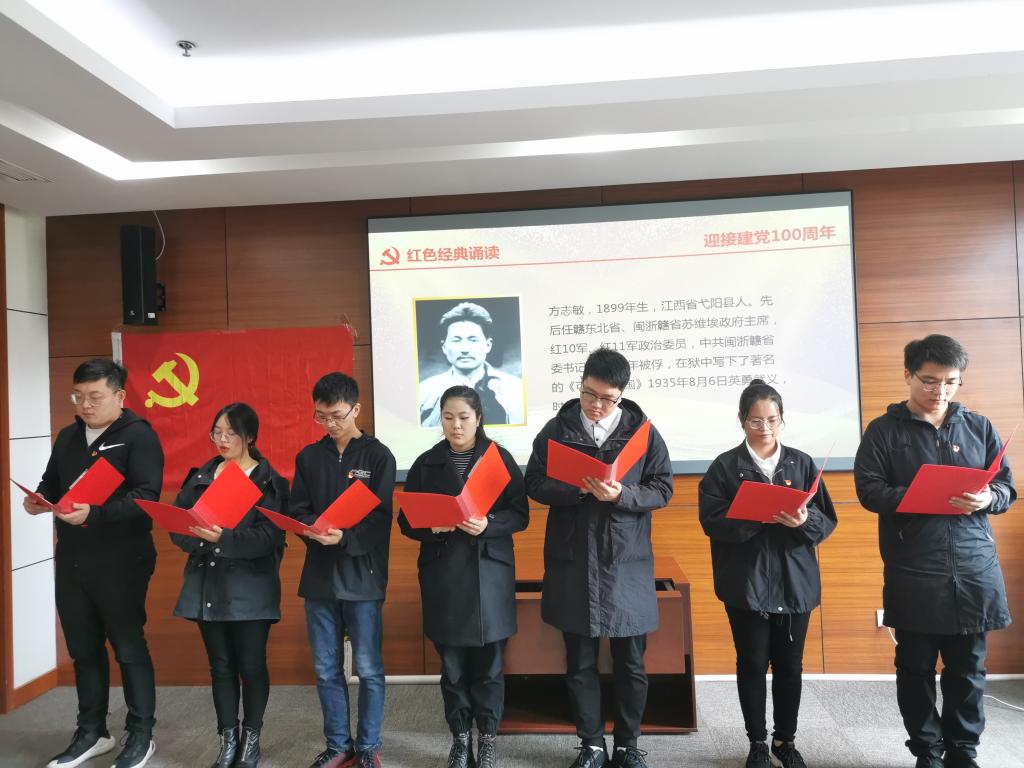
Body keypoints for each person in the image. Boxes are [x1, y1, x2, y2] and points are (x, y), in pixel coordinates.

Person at [854, 335, 1015, 768]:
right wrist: (920, 496)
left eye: (950, 382)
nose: (939, 391)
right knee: (915, 668)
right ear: (908, 375)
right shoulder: (883, 431)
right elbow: (869, 490)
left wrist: (989, 498)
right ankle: (927, 750)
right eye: (929, 381)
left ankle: (963, 750)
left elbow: (1006, 487)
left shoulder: (978, 426)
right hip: (915, 567)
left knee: (968, 668)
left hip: (974, 565)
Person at [524, 348, 673, 768]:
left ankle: (627, 745)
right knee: (579, 662)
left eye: (607, 399)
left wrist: (622, 494)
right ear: (582, 384)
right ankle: (591, 745)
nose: (595, 404)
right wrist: (576, 488)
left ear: (621, 395)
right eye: (589, 393)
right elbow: (533, 481)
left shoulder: (642, 433)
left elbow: (663, 488)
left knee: (632, 663)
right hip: (574, 559)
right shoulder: (557, 429)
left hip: (625, 561)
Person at [25, 358, 163, 768]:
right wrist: (38, 501)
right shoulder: (68, 436)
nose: (85, 404)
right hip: (72, 557)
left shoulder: (139, 436)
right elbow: (51, 484)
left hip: (122, 558)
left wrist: (96, 514)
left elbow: (147, 497)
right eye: (78, 396)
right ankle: (92, 732)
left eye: (95, 396)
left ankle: (141, 734)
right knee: (83, 648)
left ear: (120, 396)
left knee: (127, 646)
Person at [698, 379, 837, 768]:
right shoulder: (725, 467)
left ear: (782, 419)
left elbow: (826, 521)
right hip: (746, 582)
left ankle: (784, 741)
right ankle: (757, 743)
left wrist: (804, 521)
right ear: (742, 420)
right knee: (753, 663)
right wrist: (755, 516)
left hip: (795, 583)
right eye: (755, 421)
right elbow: (711, 520)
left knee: (790, 666)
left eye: (772, 420)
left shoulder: (801, 463)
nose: (764, 428)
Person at [399, 385, 529, 768]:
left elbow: (520, 514)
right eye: (448, 417)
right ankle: (460, 739)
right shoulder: (426, 463)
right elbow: (406, 520)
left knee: (490, 665)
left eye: (463, 417)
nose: (455, 425)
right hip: (445, 574)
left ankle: (487, 738)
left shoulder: (498, 458)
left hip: (490, 573)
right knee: (452, 666)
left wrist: (489, 524)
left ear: (478, 418)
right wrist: (432, 526)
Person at [169, 403, 288, 768]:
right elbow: (177, 526)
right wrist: (207, 540)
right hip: (208, 585)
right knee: (220, 667)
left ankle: (251, 739)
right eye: (216, 433)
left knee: (251, 666)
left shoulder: (269, 481)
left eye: (231, 433)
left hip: (251, 589)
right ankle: (228, 740)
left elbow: (268, 538)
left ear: (249, 436)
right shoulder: (202, 477)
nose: (222, 440)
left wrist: (222, 538)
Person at [290, 372, 397, 768]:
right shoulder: (309, 457)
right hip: (319, 578)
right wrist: (313, 530)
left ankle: (368, 746)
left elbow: (379, 520)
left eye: (336, 415)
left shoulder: (378, 456)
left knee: (368, 668)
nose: (330, 424)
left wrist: (345, 539)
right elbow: (297, 510)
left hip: (362, 577)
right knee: (326, 669)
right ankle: (338, 745)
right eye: (321, 417)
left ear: (356, 409)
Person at [419, 301, 524, 427]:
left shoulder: (516, 389)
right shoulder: (424, 392)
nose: (465, 349)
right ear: (444, 347)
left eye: (473, 340)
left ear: (488, 345)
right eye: (456, 340)